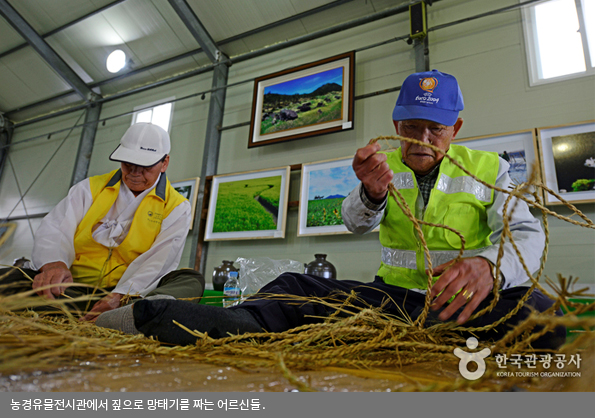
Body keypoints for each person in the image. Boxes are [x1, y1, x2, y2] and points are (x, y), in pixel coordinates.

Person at [95, 71, 564, 349]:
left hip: (463, 307)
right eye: (412, 127)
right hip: (393, 302)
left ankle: (432, 339)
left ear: (455, 127)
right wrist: (371, 193)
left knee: (540, 315)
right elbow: (354, 222)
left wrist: (488, 267)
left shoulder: (491, 170)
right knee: (299, 288)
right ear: (396, 122)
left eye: (435, 130)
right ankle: (163, 317)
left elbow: (527, 234)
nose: (421, 140)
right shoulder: (380, 162)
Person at [0, 123, 205, 321]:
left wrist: (121, 295)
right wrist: (55, 265)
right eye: (128, 164)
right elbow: (55, 229)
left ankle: (128, 314)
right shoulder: (89, 188)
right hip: (72, 289)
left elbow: (160, 261)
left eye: (144, 167)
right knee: (9, 277)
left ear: (165, 163)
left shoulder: (177, 206)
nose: (134, 173)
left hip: (127, 298)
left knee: (190, 279)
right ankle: (121, 318)